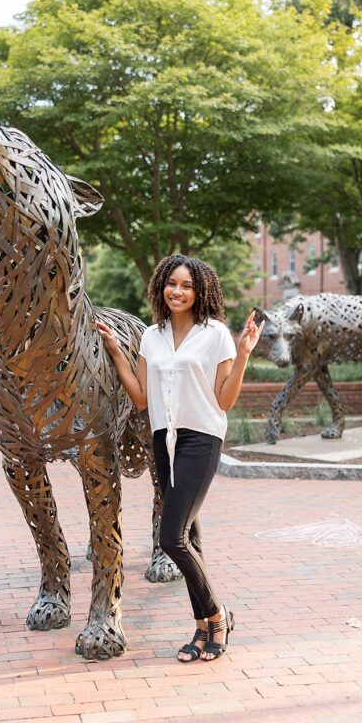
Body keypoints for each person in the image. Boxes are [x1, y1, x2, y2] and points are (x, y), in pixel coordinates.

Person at [96, 255, 263, 663]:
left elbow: (223, 401)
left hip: (201, 438)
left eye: (187, 285)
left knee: (171, 537)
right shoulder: (151, 337)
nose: (178, 291)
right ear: (160, 287)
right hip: (163, 440)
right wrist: (118, 351)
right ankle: (203, 626)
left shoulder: (216, 335)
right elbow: (139, 397)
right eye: (172, 283)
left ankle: (219, 615)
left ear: (200, 290)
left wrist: (243, 354)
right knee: (191, 537)